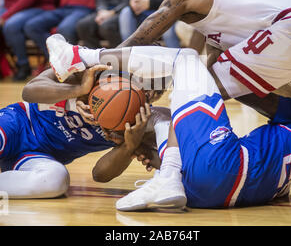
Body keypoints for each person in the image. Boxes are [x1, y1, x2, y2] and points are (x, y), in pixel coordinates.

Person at [45, 35, 291, 209]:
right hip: (217, 192)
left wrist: (222, 48)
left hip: (221, 174)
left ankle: (80, 56)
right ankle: (168, 173)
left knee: (186, 59)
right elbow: (99, 175)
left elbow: (242, 88)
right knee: (162, 117)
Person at [114, 0, 291, 101]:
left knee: (198, 90)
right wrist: (165, 81)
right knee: (288, 96)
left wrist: (104, 63)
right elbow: (210, 72)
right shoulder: (213, 26)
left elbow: (140, 38)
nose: (165, 0)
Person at [0, 60, 171, 198]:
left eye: (156, 91)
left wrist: (129, 146)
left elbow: (100, 175)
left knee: (56, 180)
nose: (148, 93)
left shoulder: (139, 120)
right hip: (21, 122)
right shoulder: (93, 72)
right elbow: (29, 91)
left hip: (40, 157)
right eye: (146, 81)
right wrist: (76, 95)